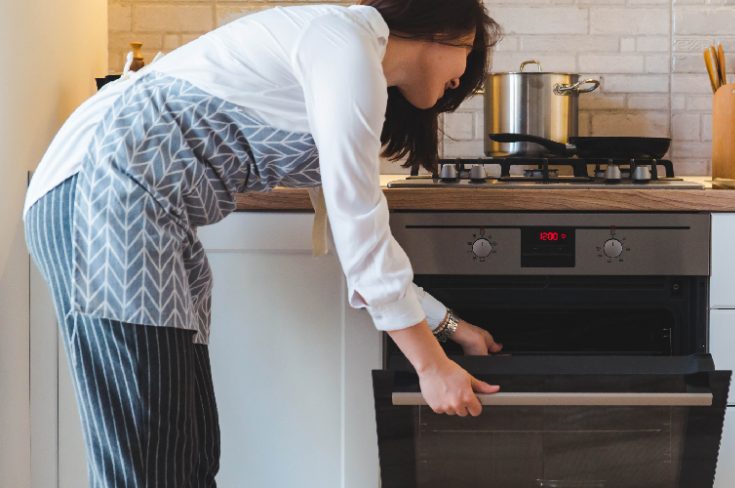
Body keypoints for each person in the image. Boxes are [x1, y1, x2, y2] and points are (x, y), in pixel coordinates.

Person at [22, 1, 502, 486]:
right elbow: (361, 227)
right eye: (469, 56)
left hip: (142, 214)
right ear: (445, 29)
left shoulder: (348, 58)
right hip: (104, 198)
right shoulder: (344, 42)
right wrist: (432, 366)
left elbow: (352, 237)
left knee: (187, 458)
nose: (462, 80)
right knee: (150, 463)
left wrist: (447, 325)